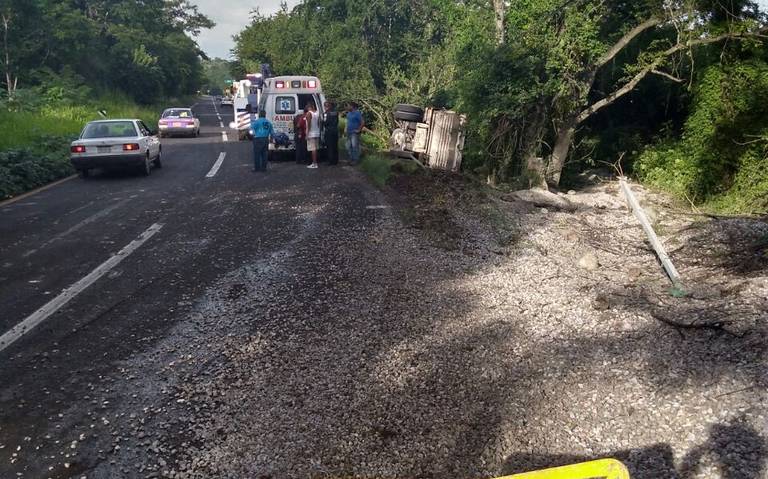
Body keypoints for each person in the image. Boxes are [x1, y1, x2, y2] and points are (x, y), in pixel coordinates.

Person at [305, 102, 322, 169]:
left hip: (311, 133)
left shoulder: (309, 113)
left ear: (308, 107)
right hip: (317, 132)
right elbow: (318, 123)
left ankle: (314, 163)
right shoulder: (317, 113)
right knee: (315, 149)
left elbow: (309, 124)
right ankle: (315, 162)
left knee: (312, 149)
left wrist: (307, 134)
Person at [323, 101, 339, 165]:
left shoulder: (326, 113)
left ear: (326, 106)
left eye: (325, 106)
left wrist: (322, 122)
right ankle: (336, 160)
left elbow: (325, 122)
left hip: (329, 131)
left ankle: (331, 161)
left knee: (329, 146)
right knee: (335, 146)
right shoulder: (335, 112)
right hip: (335, 130)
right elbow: (337, 121)